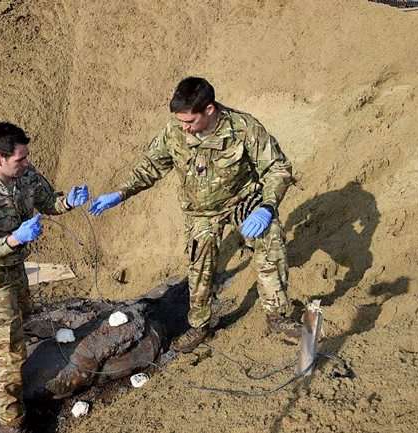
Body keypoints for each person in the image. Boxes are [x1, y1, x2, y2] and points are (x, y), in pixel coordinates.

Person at [89, 77, 299, 353]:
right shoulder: (175, 131)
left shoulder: (243, 128)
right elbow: (151, 166)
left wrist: (266, 207)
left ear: (209, 110)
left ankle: (278, 317)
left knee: (270, 238)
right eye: (180, 121)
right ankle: (201, 325)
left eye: (189, 121)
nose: (184, 127)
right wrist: (120, 193)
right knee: (199, 266)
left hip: (242, 200)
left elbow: (278, 168)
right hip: (200, 211)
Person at [0, 122, 89, 433]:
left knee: (22, 323)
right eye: (20, 159)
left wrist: (68, 200)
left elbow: (47, 201)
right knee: (8, 352)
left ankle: (17, 378)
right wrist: (14, 239)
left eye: (27, 157)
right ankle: (10, 421)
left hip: (16, 270)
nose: (27, 162)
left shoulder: (25, 175)